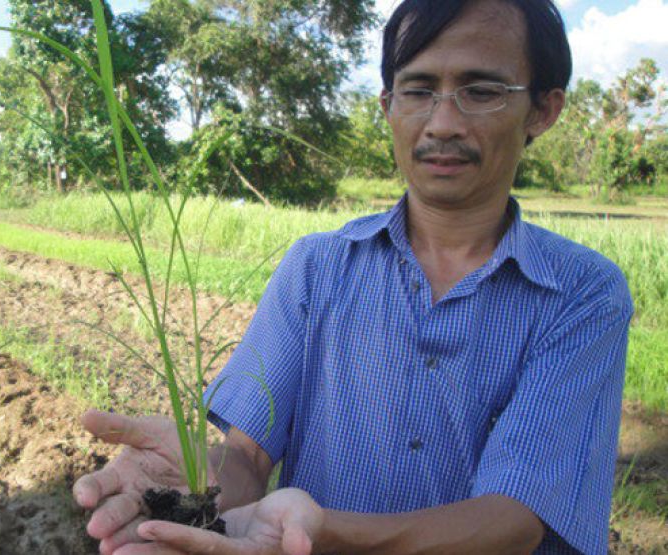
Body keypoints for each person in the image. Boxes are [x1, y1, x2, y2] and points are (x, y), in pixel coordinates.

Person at [72, 0, 633, 553]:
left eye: (481, 91)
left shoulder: (581, 294)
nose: (441, 122)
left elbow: (514, 520)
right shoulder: (316, 269)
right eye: (417, 90)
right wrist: (197, 480)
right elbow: (246, 458)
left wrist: (323, 531)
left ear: (543, 109)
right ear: (389, 105)